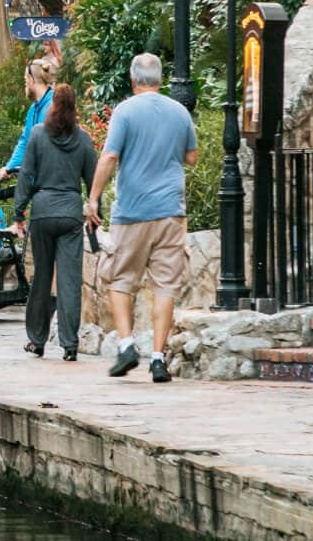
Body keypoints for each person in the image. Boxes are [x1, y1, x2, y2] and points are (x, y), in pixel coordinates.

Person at [89, 53, 198, 383]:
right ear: (161, 79)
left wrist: (93, 197)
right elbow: (191, 157)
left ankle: (126, 345)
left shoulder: (124, 111)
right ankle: (158, 359)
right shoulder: (179, 112)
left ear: (134, 80)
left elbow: (109, 156)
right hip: (170, 212)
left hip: (132, 212)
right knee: (165, 286)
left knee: (121, 279)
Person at [14, 84, 96, 361]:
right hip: (71, 213)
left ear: (52, 106)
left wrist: (18, 212)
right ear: (74, 108)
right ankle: (69, 344)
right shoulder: (83, 139)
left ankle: (37, 340)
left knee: (42, 277)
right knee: (70, 280)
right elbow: (93, 181)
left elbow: (26, 175)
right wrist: (97, 212)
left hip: (42, 212)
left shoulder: (38, 135)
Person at [0, 58, 57, 185]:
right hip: (38, 184)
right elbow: (25, 141)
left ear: (32, 80)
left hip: (53, 182)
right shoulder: (33, 109)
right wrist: (9, 167)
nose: (25, 84)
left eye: (26, 81)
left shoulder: (53, 106)